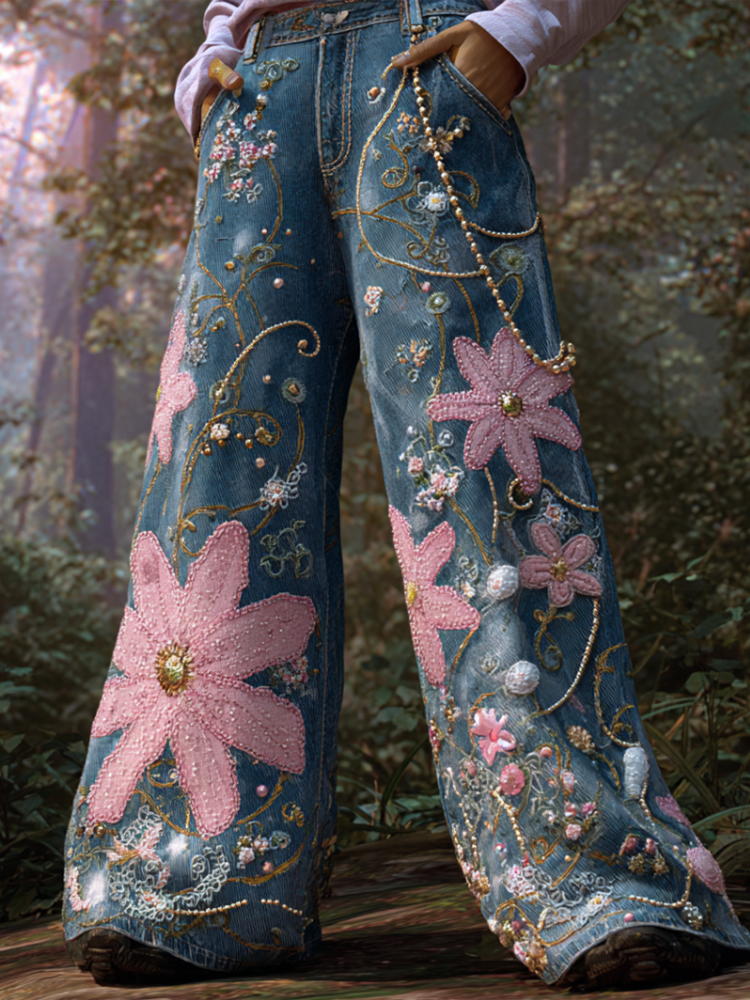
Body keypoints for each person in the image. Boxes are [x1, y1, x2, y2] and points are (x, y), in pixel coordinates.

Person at [63, 0, 750, 989]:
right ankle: (188, 876)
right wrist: (213, 54)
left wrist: (520, 30)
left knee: (490, 465)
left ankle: (595, 874)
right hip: (258, 88)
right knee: (213, 478)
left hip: (426, 66)